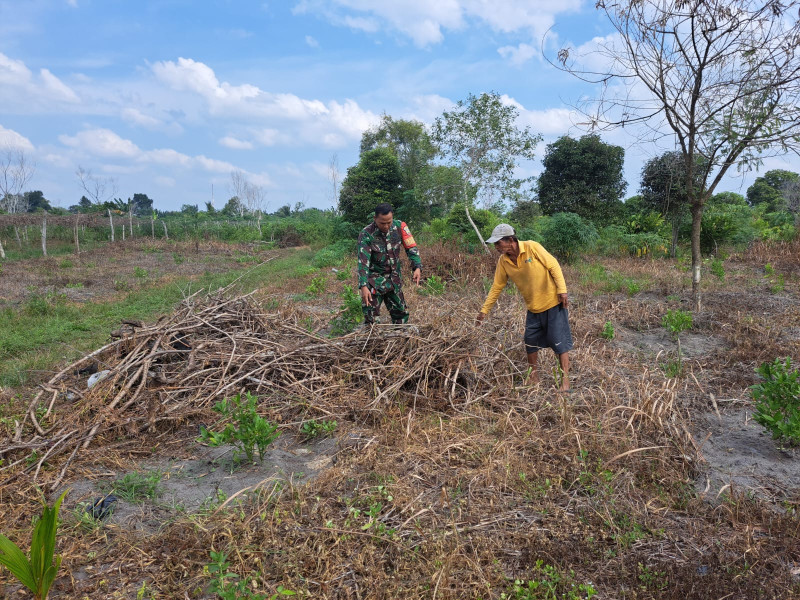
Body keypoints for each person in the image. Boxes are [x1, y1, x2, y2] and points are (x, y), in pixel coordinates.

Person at [476, 223, 573, 390]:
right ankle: (533, 377)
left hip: (553, 304)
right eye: (495, 244)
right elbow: (497, 286)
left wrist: (562, 290)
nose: (496, 247)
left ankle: (565, 382)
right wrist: (484, 310)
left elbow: (553, 265)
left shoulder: (531, 247)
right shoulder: (503, 261)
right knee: (530, 342)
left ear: (511, 240)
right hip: (533, 308)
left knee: (559, 343)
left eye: (499, 243)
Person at [357, 203, 422, 325]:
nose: (386, 226)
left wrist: (417, 267)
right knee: (371, 320)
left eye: (389, 222)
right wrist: (363, 286)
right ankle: (373, 342)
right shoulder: (366, 234)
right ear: (375, 219)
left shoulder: (400, 227)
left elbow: (411, 248)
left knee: (401, 316)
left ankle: (400, 341)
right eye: (382, 223)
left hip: (394, 281)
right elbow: (363, 262)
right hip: (374, 283)